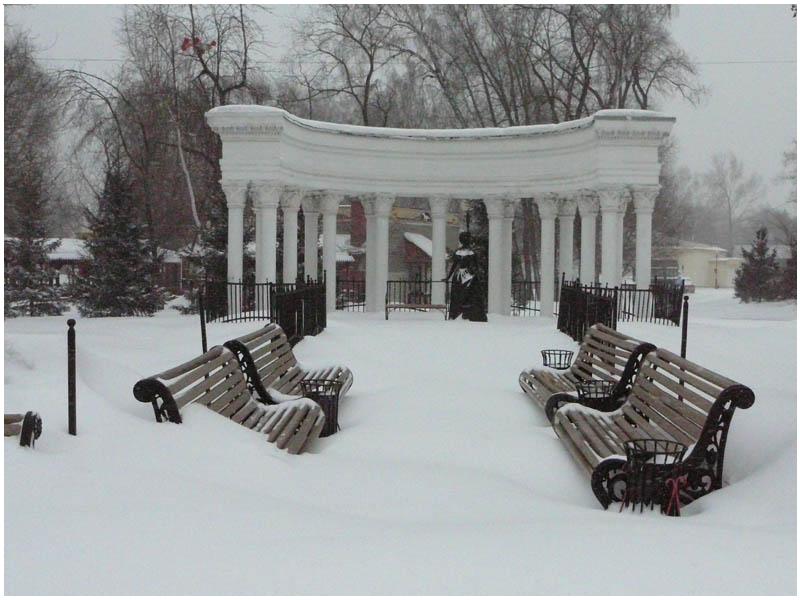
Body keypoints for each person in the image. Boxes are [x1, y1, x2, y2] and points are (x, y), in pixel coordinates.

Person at [445, 231, 487, 321]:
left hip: (463, 276)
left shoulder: (467, 252)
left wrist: (449, 277)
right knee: (460, 295)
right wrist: (448, 277)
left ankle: (466, 312)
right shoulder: (464, 252)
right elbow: (455, 265)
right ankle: (460, 313)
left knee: (466, 294)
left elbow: (474, 265)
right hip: (465, 275)